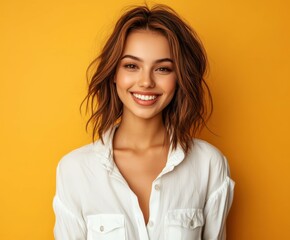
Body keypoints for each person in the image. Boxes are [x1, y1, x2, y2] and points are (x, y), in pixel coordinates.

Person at [53, 4, 234, 240]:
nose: (146, 82)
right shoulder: (75, 170)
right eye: (131, 66)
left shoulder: (208, 164)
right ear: (114, 74)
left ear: (179, 78)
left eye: (162, 68)